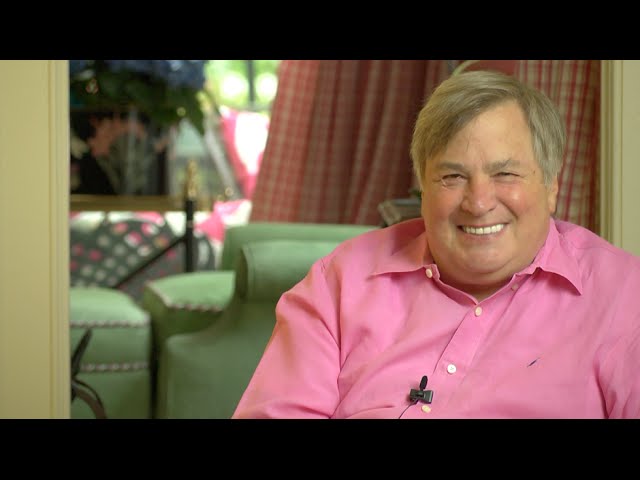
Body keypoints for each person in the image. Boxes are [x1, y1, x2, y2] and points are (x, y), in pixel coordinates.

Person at [232, 70, 640, 419]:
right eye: (452, 177)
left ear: (551, 186)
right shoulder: (339, 283)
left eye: (505, 174)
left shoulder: (623, 297)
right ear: (423, 189)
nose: (478, 203)